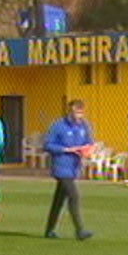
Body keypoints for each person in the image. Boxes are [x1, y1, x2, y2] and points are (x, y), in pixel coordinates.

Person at [43, 99, 94, 240]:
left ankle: (49, 230)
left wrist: (87, 150)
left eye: (80, 112)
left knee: (59, 199)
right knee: (74, 196)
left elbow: (89, 142)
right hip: (61, 166)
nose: (77, 115)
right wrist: (64, 149)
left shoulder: (84, 126)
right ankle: (80, 230)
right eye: (74, 112)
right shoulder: (59, 126)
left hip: (74, 167)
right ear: (69, 111)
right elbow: (47, 144)